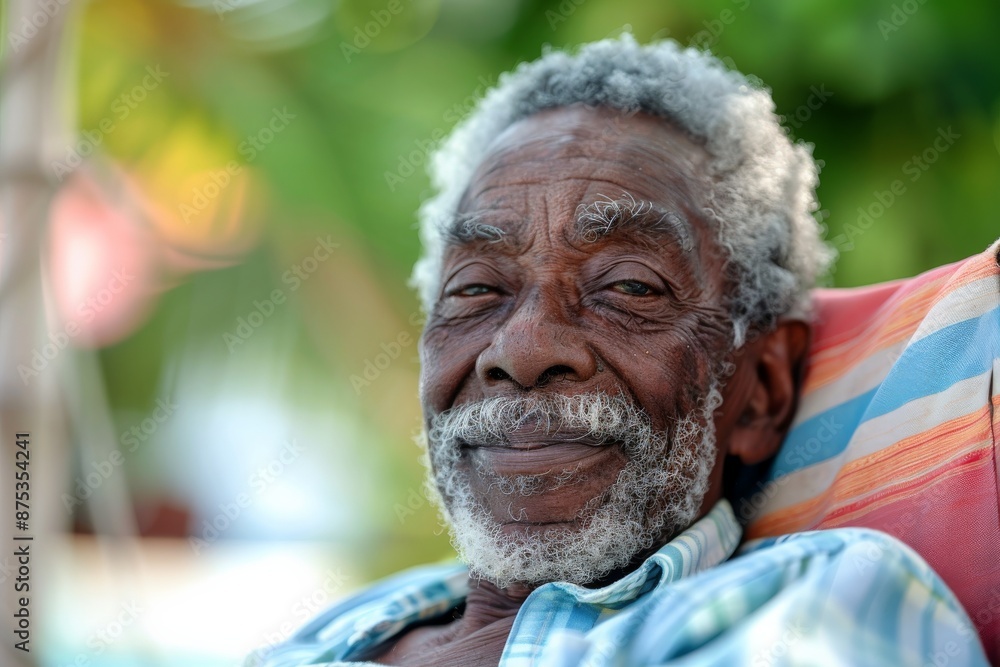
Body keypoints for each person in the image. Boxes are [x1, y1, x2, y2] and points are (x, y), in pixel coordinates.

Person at [250, 35, 998, 666]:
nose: (521, 347)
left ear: (762, 388)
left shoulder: (819, 600)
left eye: (629, 287)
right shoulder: (335, 628)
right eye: (476, 289)